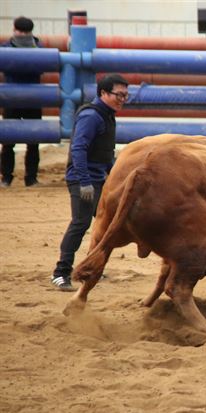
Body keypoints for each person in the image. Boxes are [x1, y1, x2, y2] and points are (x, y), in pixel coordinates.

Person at [51, 74, 129, 291]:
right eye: (119, 94)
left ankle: (90, 268)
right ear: (103, 93)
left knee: (108, 222)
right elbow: (78, 148)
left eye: (125, 95)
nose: (122, 98)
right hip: (82, 179)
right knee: (80, 223)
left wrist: (112, 176)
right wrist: (84, 181)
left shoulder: (108, 115)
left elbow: (104, 153)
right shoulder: (91, 116)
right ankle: (60, 273)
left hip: (99, 180)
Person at [1, 16, 43, 187]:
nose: (23, 35)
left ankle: (25, 178)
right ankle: (11, 177)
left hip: (22, 99)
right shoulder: (38, 48)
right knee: (10, 141)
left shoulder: (37, 48)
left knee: (30, 142)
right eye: (21, 32)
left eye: (25, 32)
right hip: (18, 100)